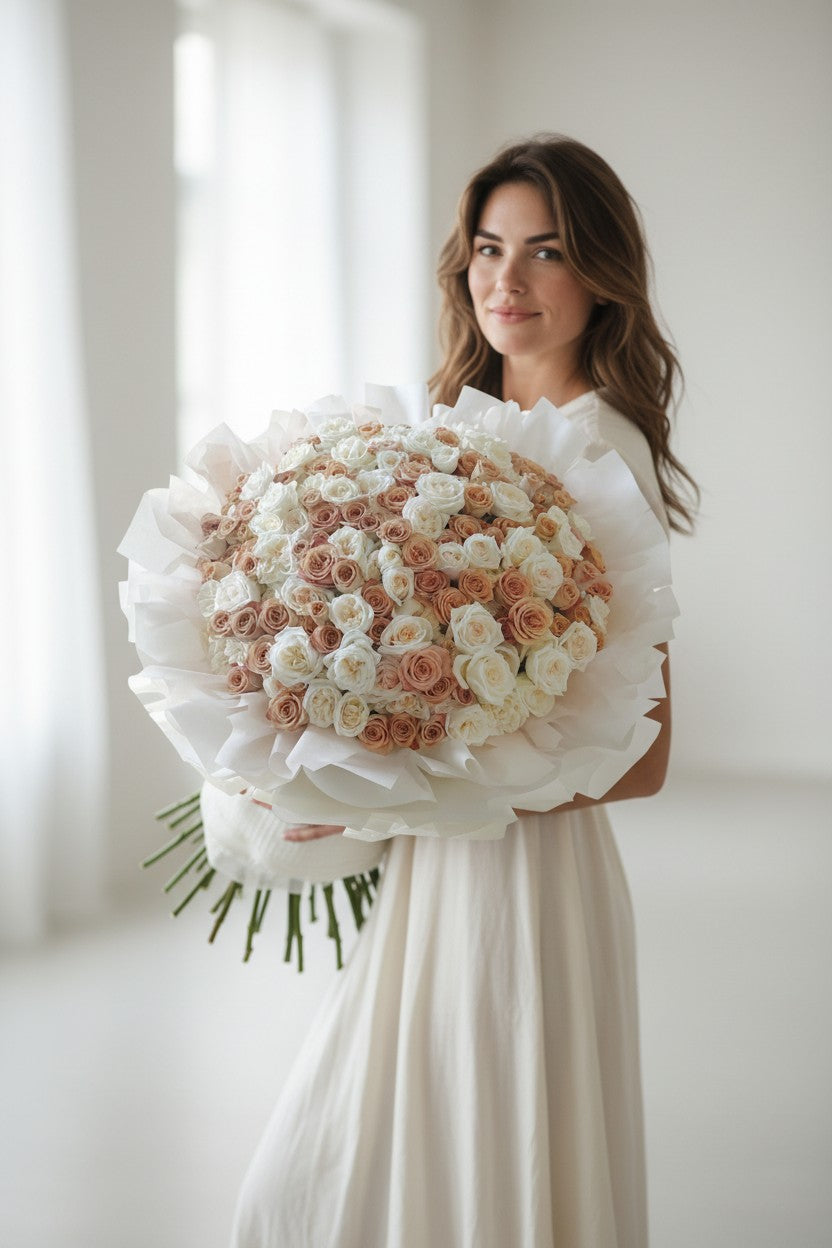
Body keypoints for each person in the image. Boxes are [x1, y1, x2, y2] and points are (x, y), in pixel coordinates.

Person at [231, 134, 699, 1248]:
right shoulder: (452, 433)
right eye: (488, 249)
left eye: (545, 252)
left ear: (599, 274)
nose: (506, 280)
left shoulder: (598, 449)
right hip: (440, 868)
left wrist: (386, 797)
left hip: (524, 883)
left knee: (473, 1158)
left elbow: (642, 758)